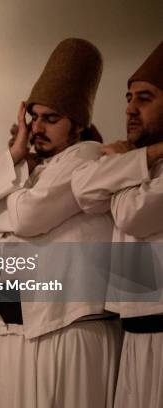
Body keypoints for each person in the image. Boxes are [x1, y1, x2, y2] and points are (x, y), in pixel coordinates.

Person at [0, 38, 121, 408]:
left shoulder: (86, 157)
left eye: (51, 118)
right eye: (34, 117)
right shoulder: (28, 168)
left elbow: (29, 217)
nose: (38, 127)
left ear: (77, 123)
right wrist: (13, 157)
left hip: (64, 331)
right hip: (11, 335)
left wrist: (6, 197)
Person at [72, 41, 163, 408]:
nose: (129, 109)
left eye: (144, 98)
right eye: (129, 98)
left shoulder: (131, 164)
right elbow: (83, 191)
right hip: (134, 330)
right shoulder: (142, 161)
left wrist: (120, 171)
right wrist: (142, 158)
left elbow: (132, 215)